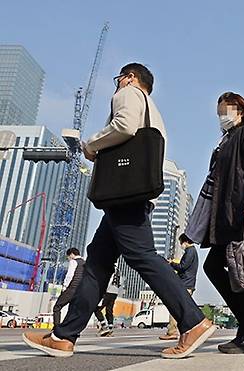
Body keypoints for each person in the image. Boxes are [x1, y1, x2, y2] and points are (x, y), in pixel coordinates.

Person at [23, 63, 214, 359]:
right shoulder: (152, 108)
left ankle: (193, 321)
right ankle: (63, 336)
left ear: (130, 77)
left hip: (124, 194)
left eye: (118, 79)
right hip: (129, 195)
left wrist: (91, 146)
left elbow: (124, 125)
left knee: (141, 255)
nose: (117, 84)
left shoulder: (128, 93)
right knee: (97, 263)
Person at [180, 91, 244, 355]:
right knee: (237, 274)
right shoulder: (226, 140)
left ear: (241, 111)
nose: (222, 116)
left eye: (226, 110)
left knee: (239, 273)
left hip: (243, 213)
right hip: (226, 215)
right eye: (219, 112)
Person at [159, 239, 199, 341]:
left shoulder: (190, 251)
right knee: (183, 308)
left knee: (175, 306)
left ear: (185, 242)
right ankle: (181, 331)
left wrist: (172, 263)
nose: (181, 245)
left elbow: (183, 266)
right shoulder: (192, 251)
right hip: (188, 283)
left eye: (181, 243)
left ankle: (172, 332)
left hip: (185, 283)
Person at [52, 248, 85, 326]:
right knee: (72, 310)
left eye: (68, 256)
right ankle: (68, 329)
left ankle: (56, 327)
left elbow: (69, 276)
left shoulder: (74, 262)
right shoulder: (85, 263)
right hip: (80, 290)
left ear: (72, 254)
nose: (68, 258)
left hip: (72, 288)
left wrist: (64, 287)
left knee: (57, 307)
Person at [95, 266, 122, 337]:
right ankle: (110, 328)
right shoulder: (118, 270)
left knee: (96, 308)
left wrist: (103, 289)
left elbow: (108, 279)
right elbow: (120, 282)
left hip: (108, 291)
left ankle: (104, 326)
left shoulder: (110, 267)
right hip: (115, 292)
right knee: (109, 310)